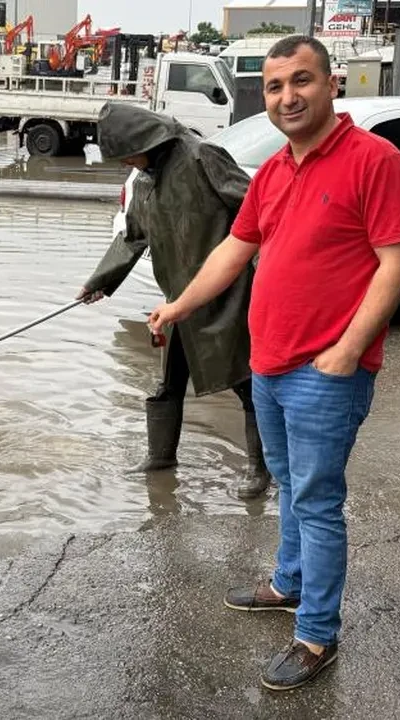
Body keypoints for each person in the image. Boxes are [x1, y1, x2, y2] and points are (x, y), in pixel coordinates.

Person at [147, 35, 400, 690]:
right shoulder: (273, 171)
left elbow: (399, 262)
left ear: (333, 86)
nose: (287, 96)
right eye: (274, 86)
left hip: (326, 372)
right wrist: (178, 306)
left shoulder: (374, 161)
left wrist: (348, 351)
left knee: (317, 499)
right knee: (287, 483)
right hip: (267, 364)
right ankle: (289, 584)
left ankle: (317, 637)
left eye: (301, 81)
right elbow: (234, 252)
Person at [77, 102, 272, 500]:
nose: (127, 162)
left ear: (145, 140)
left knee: (245, 384)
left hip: (225, 294)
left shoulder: (201, 156)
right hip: (177, 299)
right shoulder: (144, 179)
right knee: (167, 384)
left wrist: (260, 264)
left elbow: (256, 208)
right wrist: (99, 282)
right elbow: (133, 235)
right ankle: (161, 458)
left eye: (127, 153)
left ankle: (259, 468)